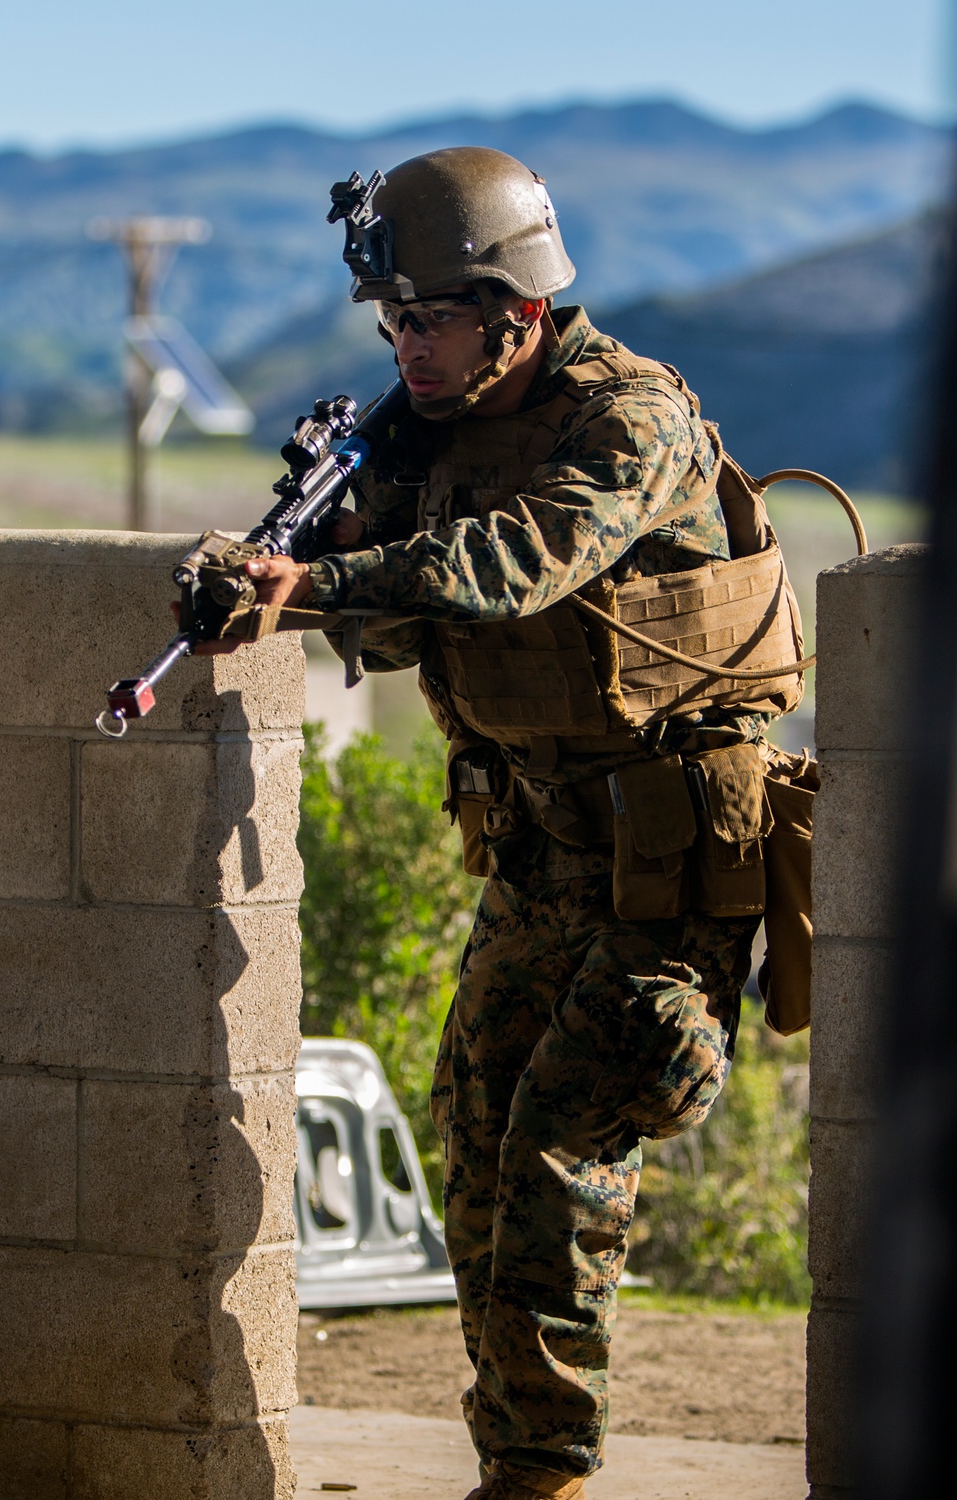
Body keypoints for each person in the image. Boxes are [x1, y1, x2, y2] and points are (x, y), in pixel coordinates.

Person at [220, 147, 802, 1500]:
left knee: (558, 1158)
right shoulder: (435, 430)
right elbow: (393, 593)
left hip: (670, 872)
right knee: (476, 1166)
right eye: (394, 324)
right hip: (536, 864)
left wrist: (306, 585)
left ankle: (541, 1480)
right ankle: (517, 1464)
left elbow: (509, 565)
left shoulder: (632, 421)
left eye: (432, 320)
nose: (407, 349)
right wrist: (318, 530)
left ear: (519, 313)